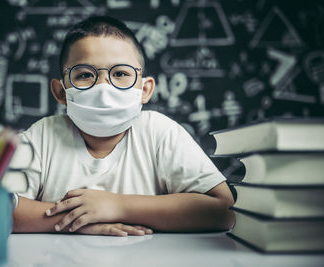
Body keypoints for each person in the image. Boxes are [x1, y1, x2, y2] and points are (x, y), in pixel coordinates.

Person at [12, 15, 235, 237]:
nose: (103, 87)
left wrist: (116, 206)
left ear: (145, 90)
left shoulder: (160, 133)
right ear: (61, 92)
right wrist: (79, 221)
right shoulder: (42, 136)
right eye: (85, 75)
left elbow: (223, 210)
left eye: (120, 74)